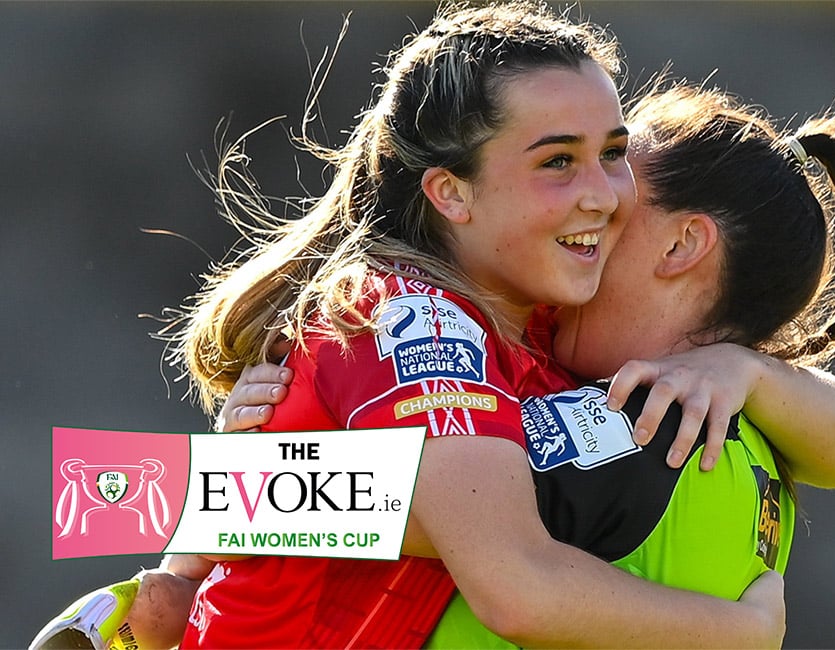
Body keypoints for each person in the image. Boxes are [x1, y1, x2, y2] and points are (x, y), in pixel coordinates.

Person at [141, 3, 790, 648]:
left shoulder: (536, 317)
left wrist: (747, 370)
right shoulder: (411, 320)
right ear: (452, 193)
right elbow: (517, 587)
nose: (604, 194)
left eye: (613, 153)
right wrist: (739, 634)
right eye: (557, 162)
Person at [217, 82, 835, 647]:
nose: (588, 217)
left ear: (683, 245)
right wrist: (752, 371)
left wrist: (244, 469)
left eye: (614, 202)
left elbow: (459, 526)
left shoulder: (635, 426)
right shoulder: (757, 432)